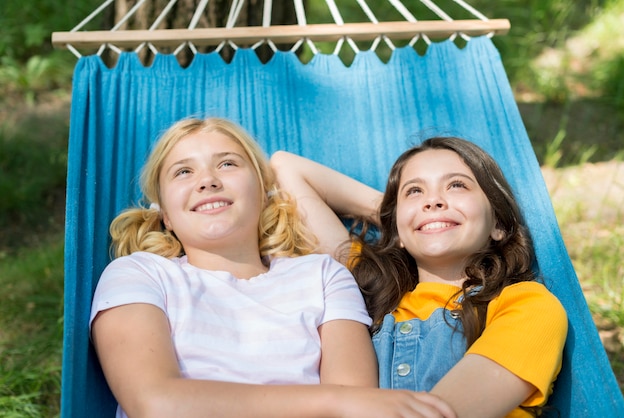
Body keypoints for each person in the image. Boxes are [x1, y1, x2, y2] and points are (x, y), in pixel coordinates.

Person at [89, 117, 457, 418]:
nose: (207, 180)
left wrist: (409, 220)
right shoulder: (140, 275)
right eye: (182, 172)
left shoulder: (322, 276)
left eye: (228, 163)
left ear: (264, 192)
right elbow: (155, 403)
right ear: (165, 214)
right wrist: (333, 401)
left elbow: (357, 401)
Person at [270, 136, 568, 418]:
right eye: (415, 191)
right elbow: (286, 168)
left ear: (498, 224)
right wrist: (401, 219)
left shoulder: (528, 306)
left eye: (456, 185)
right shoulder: (363, 287)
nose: (433, 200)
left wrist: (418, 215)